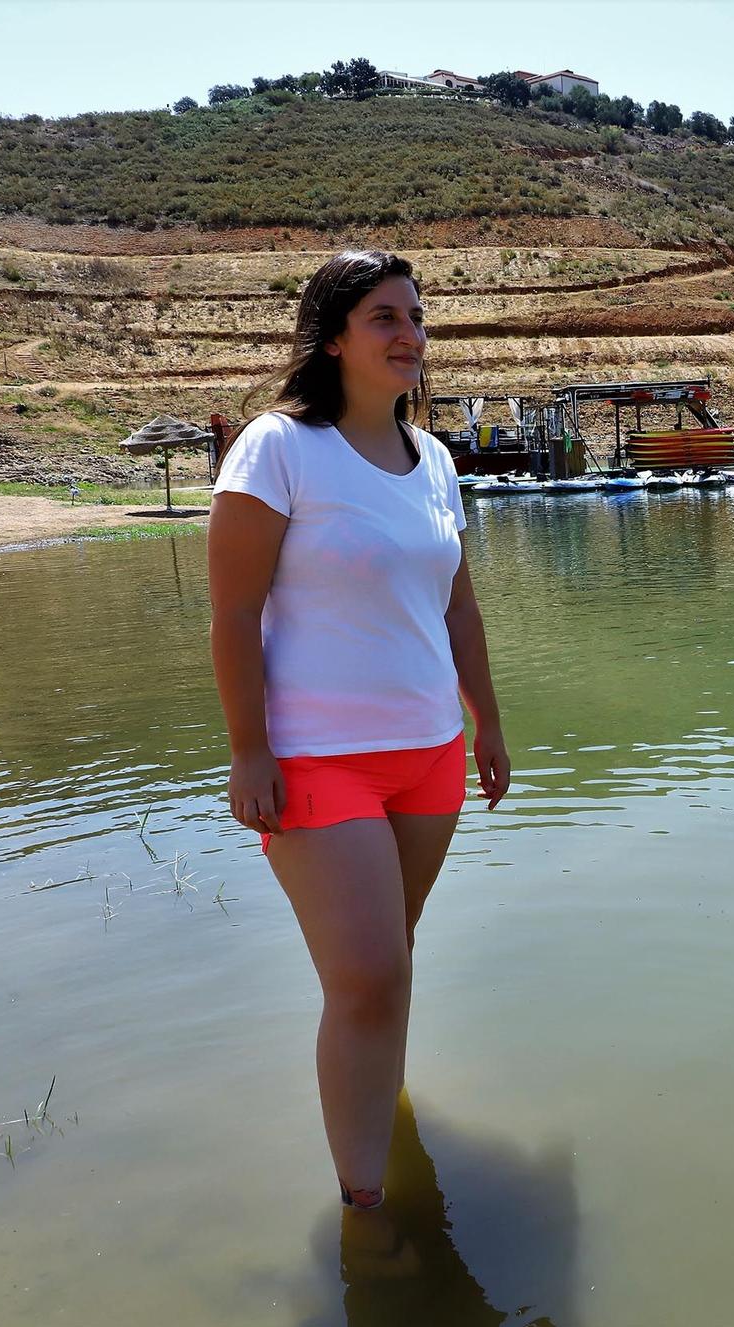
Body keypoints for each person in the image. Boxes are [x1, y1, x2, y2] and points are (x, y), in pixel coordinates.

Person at [207, 249, 510, 1217]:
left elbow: (457, 606)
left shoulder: (436, 463)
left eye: (417, 317)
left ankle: (379, 1099)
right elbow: (231, 610)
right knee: (370, 971)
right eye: (385, 316)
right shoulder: (278, 448)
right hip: (313, 757)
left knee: (389, 957)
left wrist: (486, 721)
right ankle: (364, 1207)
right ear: (332, 336)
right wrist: (248, 748)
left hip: (425, 756)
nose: (410, 335)